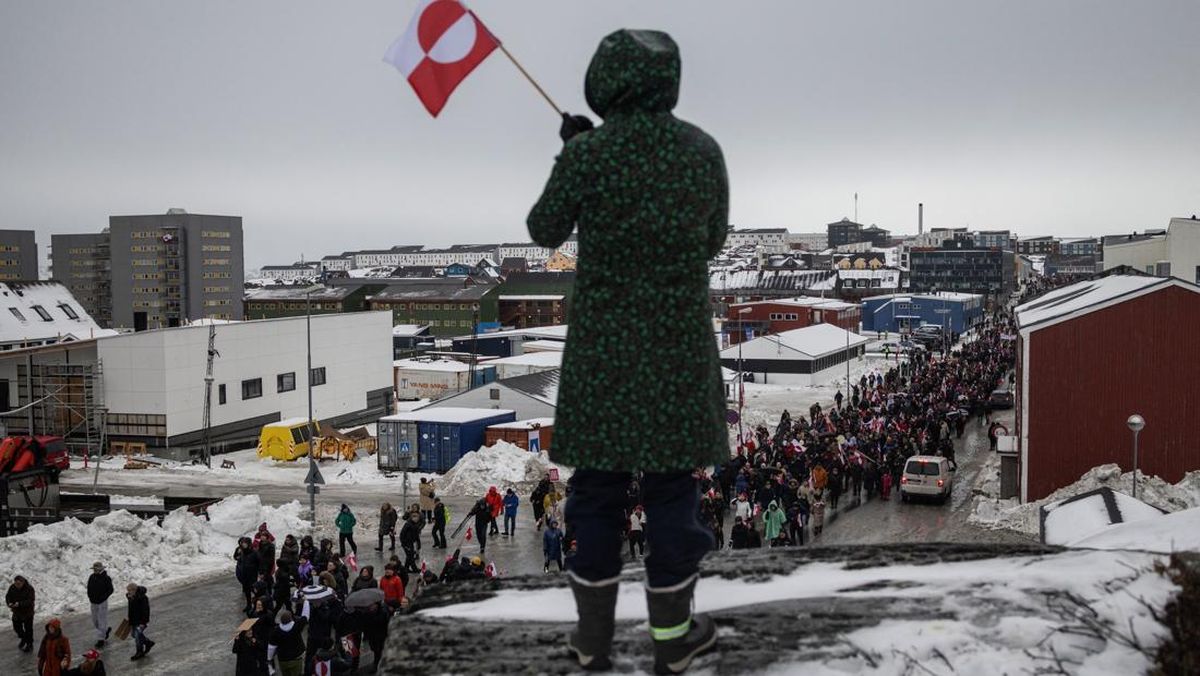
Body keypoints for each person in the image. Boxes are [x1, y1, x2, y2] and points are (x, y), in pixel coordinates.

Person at [528, 28, 727, 674]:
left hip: (603, 352)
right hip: (675, 348)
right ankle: (672, 640)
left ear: (603, 79)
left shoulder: (591, 155)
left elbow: (543, 228)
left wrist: (577, 154)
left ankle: (591, 641)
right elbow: (713, 240)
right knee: (673, 491)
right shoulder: (701, 152)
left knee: (597, 491)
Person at [267, 609, 307, 676]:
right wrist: (305, 601)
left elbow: (271, 647)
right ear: (291, 619)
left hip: (283, 660)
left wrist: (269, 659)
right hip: (296, 658)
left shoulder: (276, 631)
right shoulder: (296, 627)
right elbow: (305, 616)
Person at [86, 562, 113, 648]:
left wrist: (104, 597)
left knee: (102, 620)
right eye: (94, 569)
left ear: (101, 569)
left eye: (96, 569)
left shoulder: (106, 578)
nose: (94, 570)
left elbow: (110, 589)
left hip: (102, 602)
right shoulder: (92, 577)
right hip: (93, 602)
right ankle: (104, 632)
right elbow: (89, 588)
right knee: (95, 621)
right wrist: (90, 597)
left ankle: (101, 639)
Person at [7, 574, 35, 652]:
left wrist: (19, 604)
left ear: (23, 582)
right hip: (17, 612)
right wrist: (9, 603)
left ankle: (29, 644)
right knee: (17, 628)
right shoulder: (12, 587)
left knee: (28, 629)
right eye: (16, 584)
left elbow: (30, 600)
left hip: (27, 613)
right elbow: (8, 596)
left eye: (19, 584)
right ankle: (24, 638)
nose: (17, 585)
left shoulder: (29, 589)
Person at [126, 584, 154, 661]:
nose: (128, 593)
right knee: (134, 635)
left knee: (137, 636)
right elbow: (131, 610)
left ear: (134, 590)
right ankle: (148, 642)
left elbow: (145, 611)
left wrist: (143, 622)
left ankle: (139, 651)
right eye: (128, 591)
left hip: (141, 621)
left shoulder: (143, 598)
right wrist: (130, 620)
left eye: (129, 591)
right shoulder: (130, 597)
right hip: (134, 620)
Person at [234, 537, 260, 614]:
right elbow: (239, 559)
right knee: (247, 591)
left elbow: (259, 563)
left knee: (254, 590)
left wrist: (260, 573)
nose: (243, 544)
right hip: (244, 574)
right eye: (242, 543)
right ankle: (249, 605)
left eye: (245, 543)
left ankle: (257, 605)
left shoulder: (254, 552)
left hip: (252, 575)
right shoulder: (242, 552)